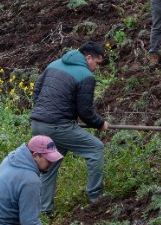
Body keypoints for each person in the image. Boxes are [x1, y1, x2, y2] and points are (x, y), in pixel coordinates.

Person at [30, 42, 109, 214]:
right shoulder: (85, 75)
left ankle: (44, 211)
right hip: (57, 126)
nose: (96, 67)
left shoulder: (54, 64)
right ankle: (96, 198)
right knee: (96, 148)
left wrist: (44, 114)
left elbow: (36, 91)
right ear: (88, 58)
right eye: (97, 63)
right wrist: (100, 123)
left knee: (50, 164)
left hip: (37, 123)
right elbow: (85, 112)